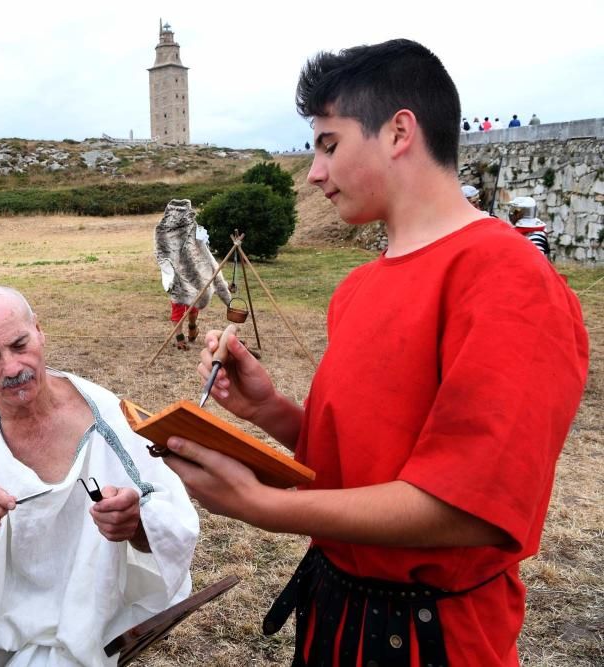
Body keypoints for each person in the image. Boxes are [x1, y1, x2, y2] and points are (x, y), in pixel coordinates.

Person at [162, 38, 588, 667]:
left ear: (398, 132)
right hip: (335, 618)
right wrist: (271, 409)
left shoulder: (507, 279)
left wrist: (268, 507)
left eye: (329, 144)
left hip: (431, 639)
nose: (313, 172)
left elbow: (468, 507)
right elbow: (376, 466)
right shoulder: (359, 286)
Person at [0, 286, 198, 666]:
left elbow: (175, 534)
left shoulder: (108, 419)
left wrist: (135, 523)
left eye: (20, 345)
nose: (12, 369)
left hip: (88, 625)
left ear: (39, 331)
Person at [154, 199, 232, 350]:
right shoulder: (162, 230)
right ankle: (179, 337)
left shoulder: (195, 228)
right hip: (176, 273)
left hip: (194, 272)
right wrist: (167, 271)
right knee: (178, 305)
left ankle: (192, 326)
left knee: (194, 302)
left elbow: (204, 248)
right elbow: (160, 253)